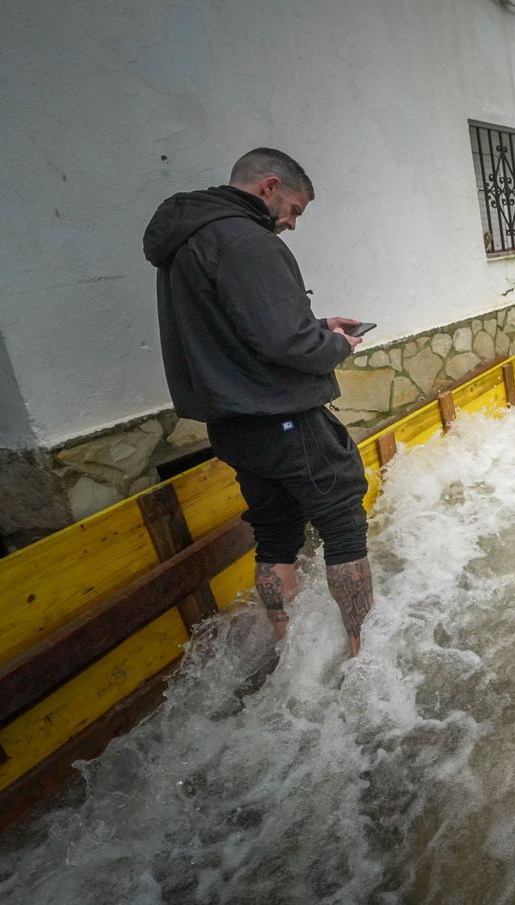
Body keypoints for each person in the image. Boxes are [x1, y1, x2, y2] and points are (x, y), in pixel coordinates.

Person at [143, 148, 375, 656]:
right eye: (293, 209)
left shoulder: (188, 242)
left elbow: (240, 334)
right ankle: (361, 651)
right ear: (269, 186)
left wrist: (316, 327)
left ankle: (285, 644)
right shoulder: (246, 241)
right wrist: (336, 343)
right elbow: (284, 343)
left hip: (232, 424)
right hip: (283, 418)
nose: (291, 224)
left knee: (274, 531)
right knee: (342, 521)